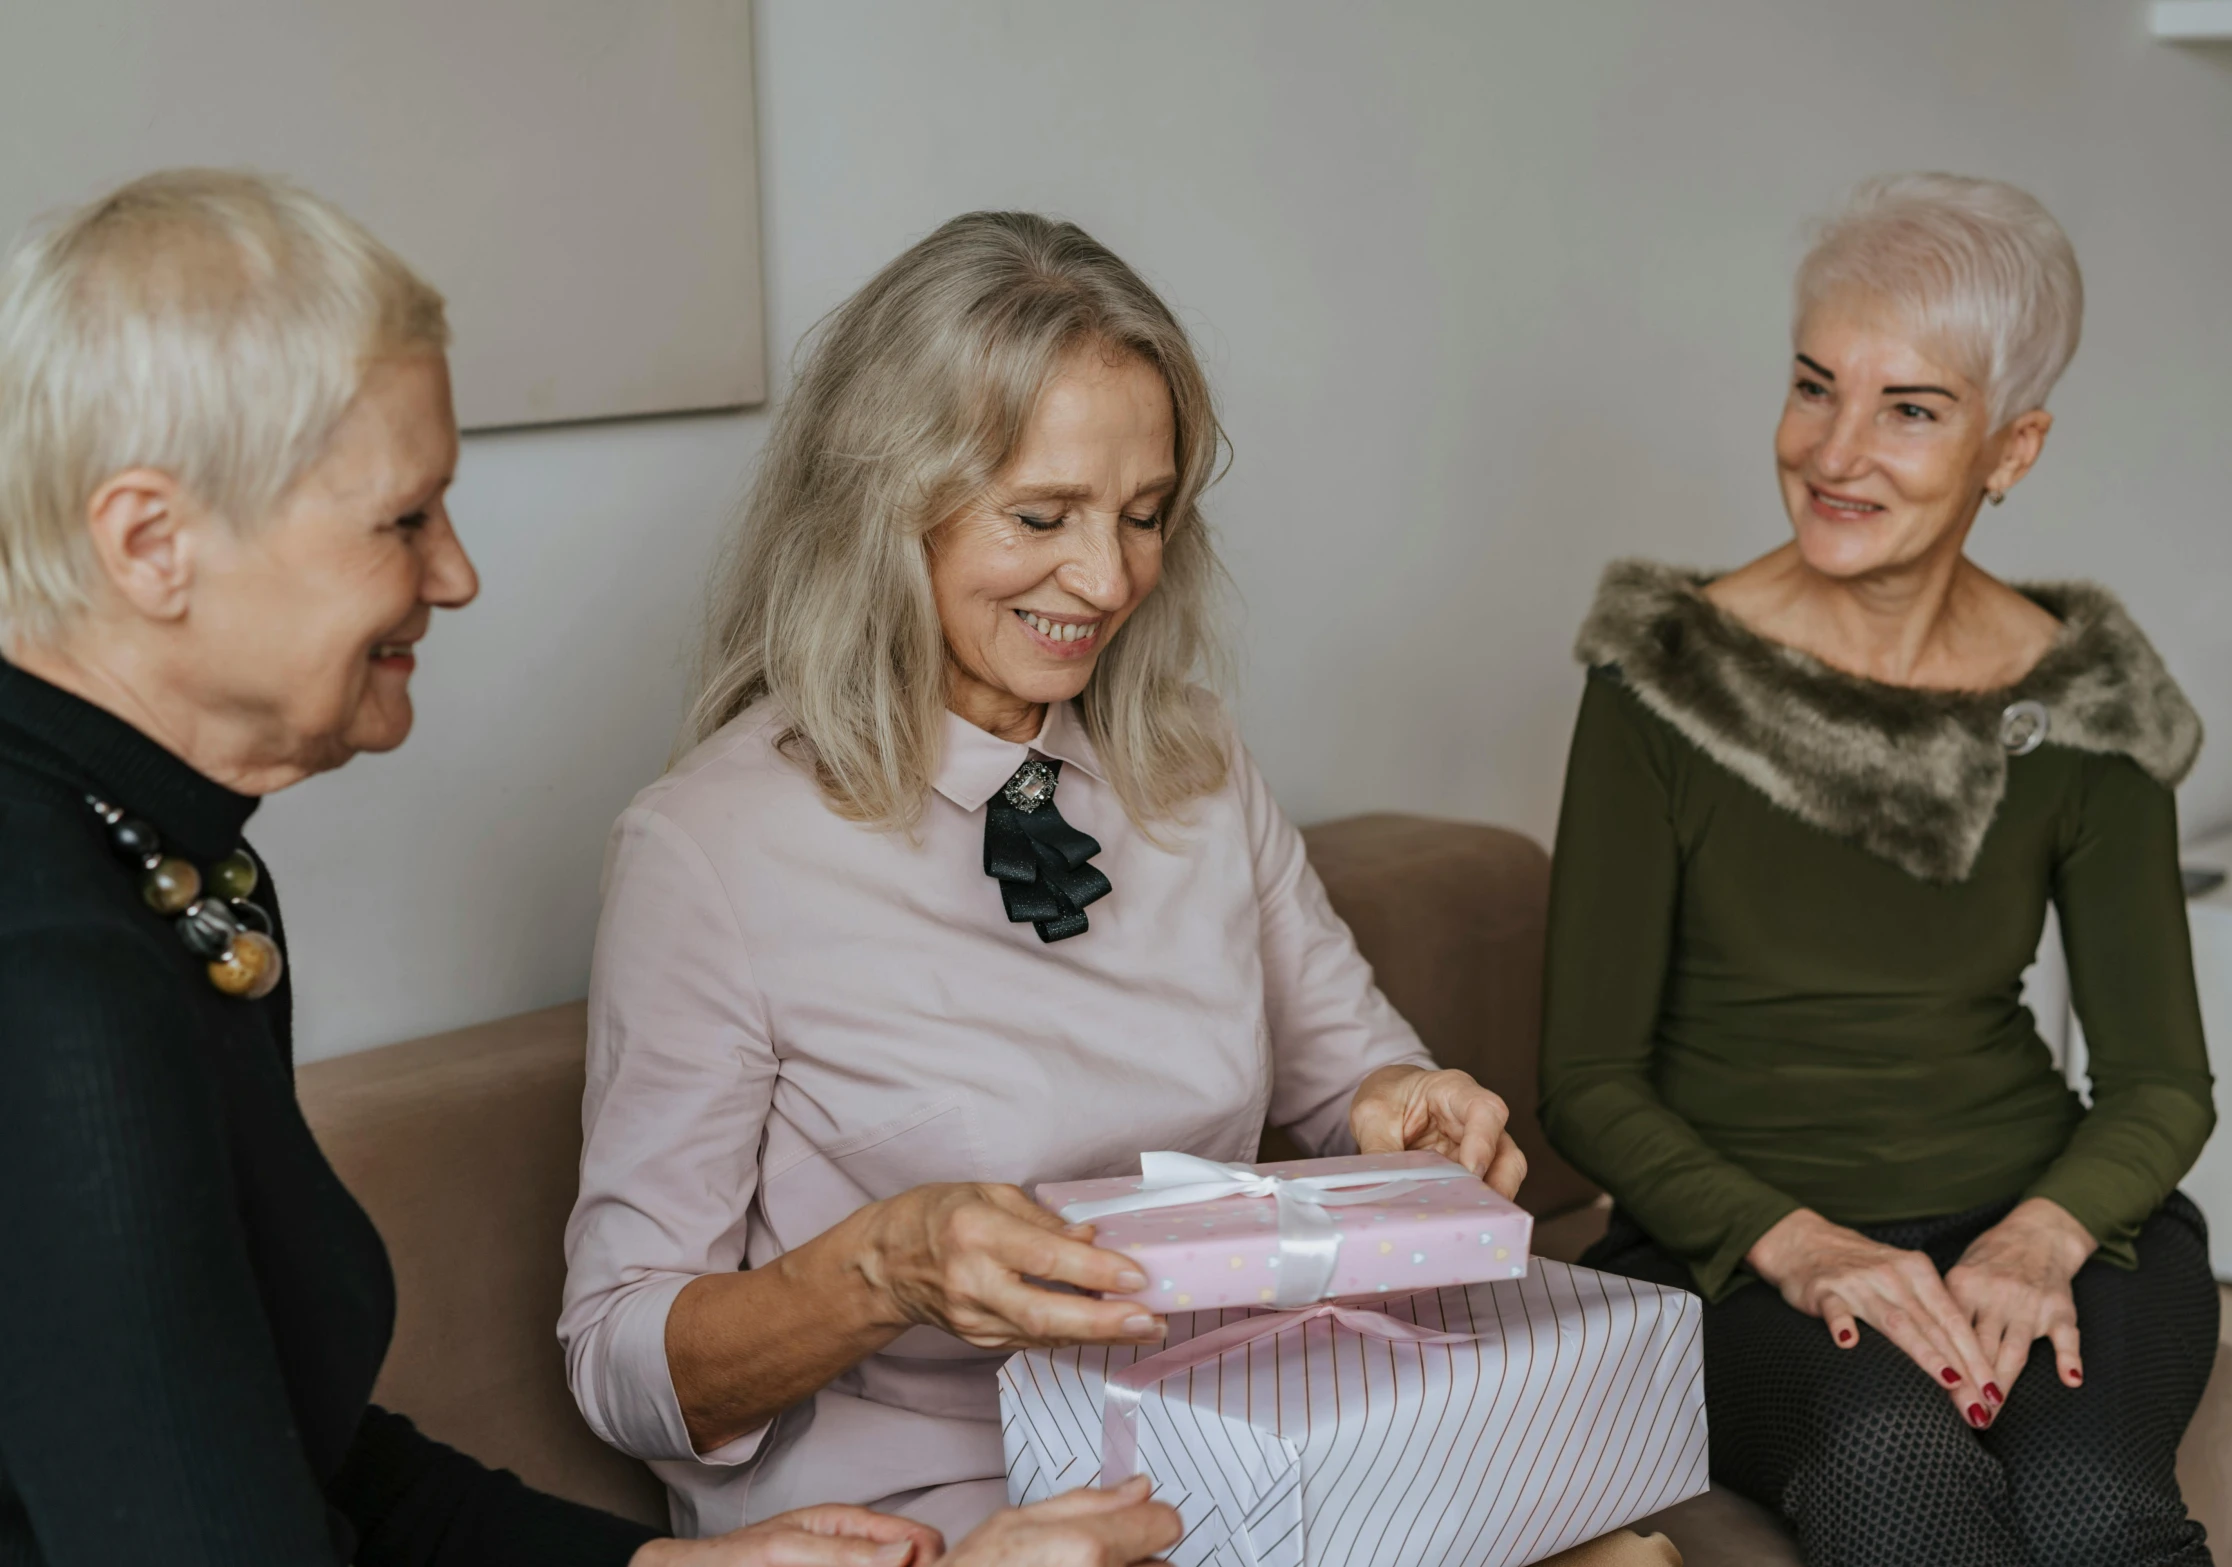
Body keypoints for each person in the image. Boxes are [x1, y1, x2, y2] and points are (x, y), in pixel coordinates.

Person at [0, 168, 1181, 1567]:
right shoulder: (54, 981)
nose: (458, 576)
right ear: (151, 544)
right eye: (403, 520)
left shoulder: (174, 875)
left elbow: (310, 1456)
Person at [559, 211, 1529, 1544]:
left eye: (1143, 515)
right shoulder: (711, 847)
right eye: (1041, 514)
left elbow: (1344, 1079)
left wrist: (1405, 1106)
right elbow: (620, 1358)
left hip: (1229, 1445)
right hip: (938, 1509)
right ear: (886, 502)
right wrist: (885, 1267)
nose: (1108, 575)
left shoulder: (1192, 762)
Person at [1541, 172, 2219, 1567]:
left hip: (2038, 1213)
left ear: (2009, 447)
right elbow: (1586, 1081)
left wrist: (2039, 1238)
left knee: (2095, 1513)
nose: (1834, 451)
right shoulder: (1660, 676)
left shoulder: (2080, 703)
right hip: (1737, 1252)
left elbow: (2158, 1085)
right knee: (1888, 1475)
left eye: (1910, 408)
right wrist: (1797, 1243)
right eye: (1812, 386)